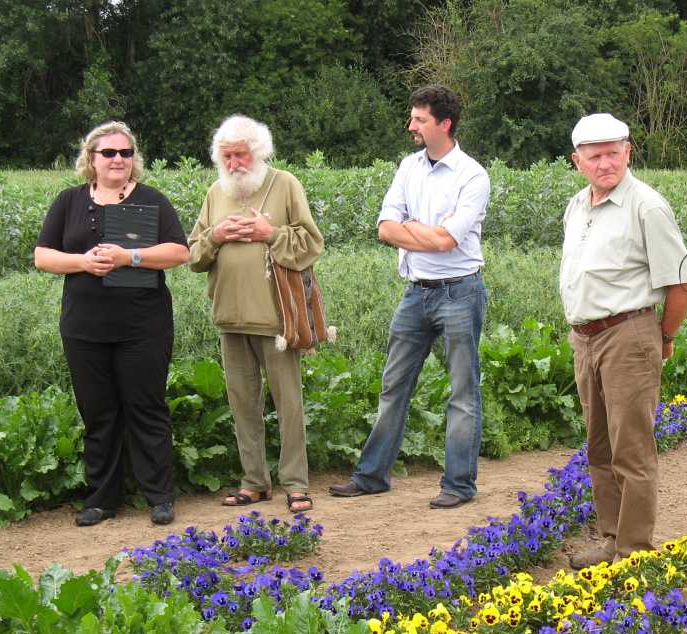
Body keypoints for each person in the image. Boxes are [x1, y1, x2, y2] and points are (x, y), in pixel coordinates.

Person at [328, 85, 490, 509]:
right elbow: (384, 227)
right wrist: (427, 232)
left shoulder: (472, 175)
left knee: (462, 392)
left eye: (419, 119)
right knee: (393, 386)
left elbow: (448, 242)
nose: (411, 126)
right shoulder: (408, 167)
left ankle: (458, 485)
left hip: (460, 292)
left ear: (444, 124)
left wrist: (417, 230)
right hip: (415, 293)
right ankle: (372, 476)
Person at [35, 121, 189, 526]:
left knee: (147, 408)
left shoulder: (152, 200)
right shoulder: (67, 202)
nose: (118, 159)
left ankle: (159, 497)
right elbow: (42, 257)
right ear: (91, 158)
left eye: (125, 153)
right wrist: (84, 262)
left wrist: (129, 257)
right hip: (85, 327)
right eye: (109, 153)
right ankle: (102, 500)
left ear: (134, 159)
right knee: (99, 414)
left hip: (143, 325)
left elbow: (178, 252)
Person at [560, 113, 687, 569]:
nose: (605, 164)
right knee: (599, 445)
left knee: (631, 448)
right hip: (587, 337)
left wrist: (665, 337)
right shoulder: (578, 205)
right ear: (577, 160)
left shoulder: (646, 206)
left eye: (614, 153)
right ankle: (612, 538)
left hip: (628, 333)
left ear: (628, 153)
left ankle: (634, 552)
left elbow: (683, 283)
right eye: (595, 156)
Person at [189, 115, 324, 515]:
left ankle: (296, 484)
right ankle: (254, 482)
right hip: (230, 317)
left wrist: (270, 234)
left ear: (259, 152)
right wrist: (216, 236)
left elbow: (311, 242)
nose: (233, 163)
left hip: (277, 319)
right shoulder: (215, 192)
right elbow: (193, 254)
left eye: (240, 154)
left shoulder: (285, 185)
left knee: (289, 405)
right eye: (226, 156)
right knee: (243, 404)